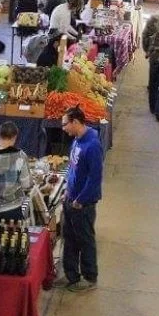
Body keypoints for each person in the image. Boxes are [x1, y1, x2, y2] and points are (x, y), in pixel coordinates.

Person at [58, 106, 103, 290]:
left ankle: (89, 277)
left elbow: (95, 178)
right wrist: (67, 191)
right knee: (69, 239)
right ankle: (71, 275)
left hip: (82, 205)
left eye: (65, 124)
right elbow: (73, 168)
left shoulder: (92, 145)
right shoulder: (77, 140)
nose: (63, 128)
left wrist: (81, 200)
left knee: (85, 240)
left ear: (75, 122)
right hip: (71, 198)